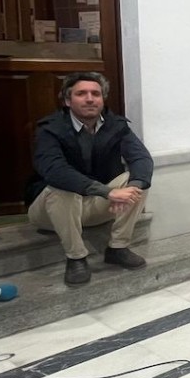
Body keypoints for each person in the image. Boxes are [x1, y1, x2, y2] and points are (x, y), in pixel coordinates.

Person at [26, 72, 153, 286]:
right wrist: (107, 192)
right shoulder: (50, 128)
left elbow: (142, 158)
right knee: (62, 187)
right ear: (68, 100)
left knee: (137, 180)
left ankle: (118, 247)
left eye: (96, 93)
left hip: (96, 207)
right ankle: (76, 257)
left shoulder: (117, 125)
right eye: (81, 93)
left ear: (102, 99)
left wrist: (132, 187)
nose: (90, 98)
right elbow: (55, 170)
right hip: (50, 213)